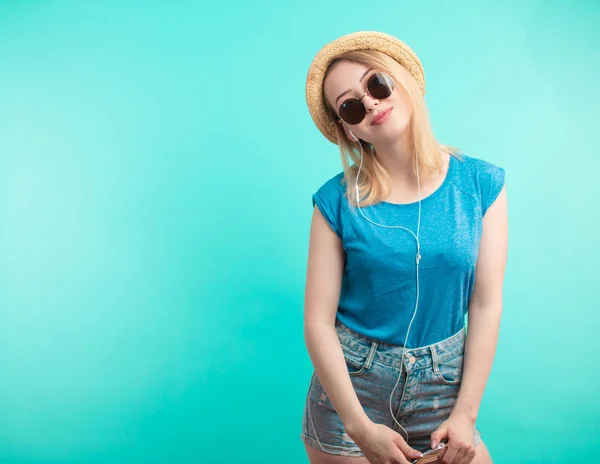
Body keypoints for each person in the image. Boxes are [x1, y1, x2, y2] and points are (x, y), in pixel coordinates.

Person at [300, 31, 508, 464]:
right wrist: (358, 428)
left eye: (376, 84)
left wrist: (466, 415)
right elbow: (318, 322)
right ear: (349, 130)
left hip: (445, 386)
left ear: (403, 82)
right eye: (351, 106)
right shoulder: (335, 202)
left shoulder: (480, 183)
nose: (371, 103)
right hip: (352, 391)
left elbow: (485, 304)